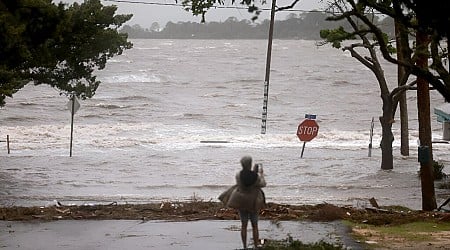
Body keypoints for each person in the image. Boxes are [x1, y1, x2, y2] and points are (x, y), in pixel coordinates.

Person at [222, 156, 266, 249]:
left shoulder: (238, 175)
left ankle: (244, 246)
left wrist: (253, 173)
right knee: (255, 225)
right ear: (250, 164)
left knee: (244, 225)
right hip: (253, 202)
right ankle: (255, 246)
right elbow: (262, 184)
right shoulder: (256, 177)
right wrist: (260, 174)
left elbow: (244, 181)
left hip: (241, 202)